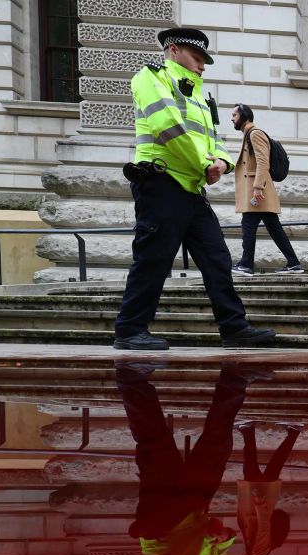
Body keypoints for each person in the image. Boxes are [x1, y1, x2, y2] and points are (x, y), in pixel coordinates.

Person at [113, 28, 276, 351]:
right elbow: (166, 127)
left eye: (204, 61)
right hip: (160, 183)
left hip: (191, 189)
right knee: (153, 259)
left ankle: (233, 327)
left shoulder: (202, 96)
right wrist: (205, 165)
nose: (202, 66)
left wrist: (223, 164)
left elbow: (215, 142)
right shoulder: (150, 77)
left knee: (217, 257)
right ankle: (130, 329)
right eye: (197, 58)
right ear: (173, 50)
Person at [116, 360, 269, 555]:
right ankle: (234, 380)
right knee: (218, 444)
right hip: (192, 513)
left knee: (155, 443)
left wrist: (206, 534)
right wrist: (223, 538)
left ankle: (131, 378)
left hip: (164, 517)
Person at [230, 104, 303, 275]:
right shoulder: (248, 134)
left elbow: (263, 162)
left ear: (244, 116)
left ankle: (246, 264)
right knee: (273, 228)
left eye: (234, 114)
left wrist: (257, 187)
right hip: (259, 191)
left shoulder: (255, 134)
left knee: (248, 224)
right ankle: (293, 262)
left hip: (258, 191)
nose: (232, 118)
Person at [233, 420, 300, 555]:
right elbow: (263, 527)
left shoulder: (253, 552)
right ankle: (248, 430)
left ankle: (293, 432)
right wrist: (259, 504)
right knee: (252, 467)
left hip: (261, 498)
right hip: (261, 498)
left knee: (272, 465)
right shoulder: (258, 553)